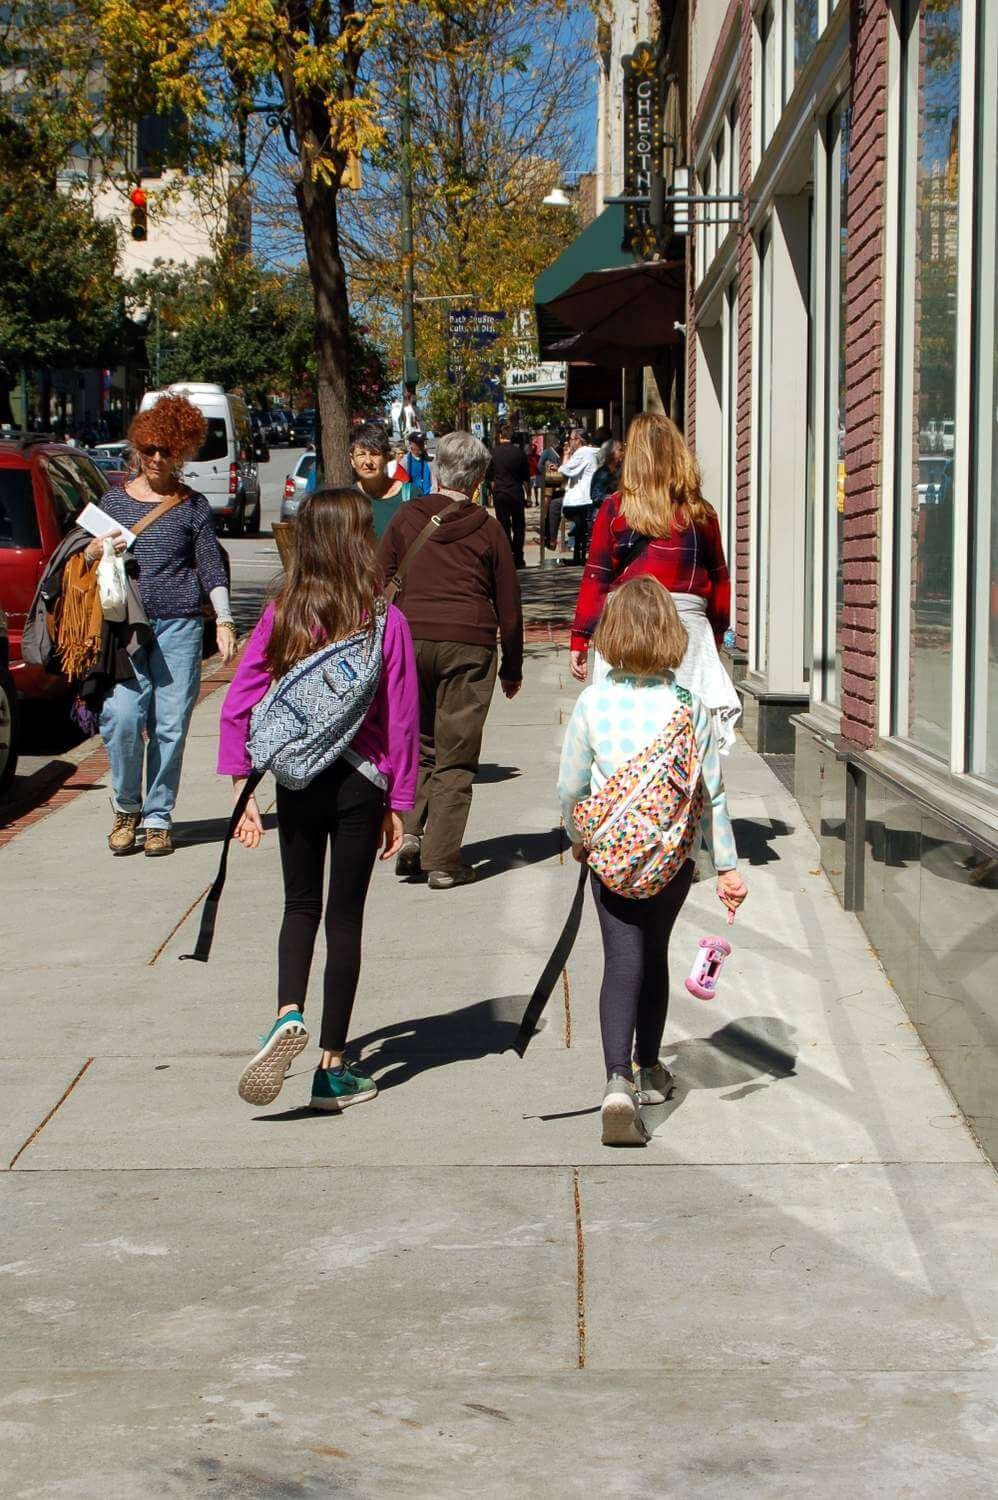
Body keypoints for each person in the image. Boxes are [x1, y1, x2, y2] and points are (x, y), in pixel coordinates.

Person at [218, 490, 419, 1113]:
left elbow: (240, 701)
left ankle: (285, 1015)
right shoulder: (385, 618)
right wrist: (401, 802)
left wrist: (240, 786)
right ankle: (332, 1065)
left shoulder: (285, 613)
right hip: (362, 782)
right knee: (346, 917)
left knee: (299, 903)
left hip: (297, 780)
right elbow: (404, 717)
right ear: (359, 542)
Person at [558, 577, 748, 1146]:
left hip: (611, 857)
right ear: (672, 636)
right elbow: (711, 794)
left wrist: (578, 836)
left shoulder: (593, 703)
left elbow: (570, 788)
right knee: (655, 954)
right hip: (671, 859)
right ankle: (650, 1069)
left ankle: (616, 1079)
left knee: (621, 960)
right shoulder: (690, 708)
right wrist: (729, 868)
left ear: (611, 636)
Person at [377, 431, 524, 889]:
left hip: (408, 641)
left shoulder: (404, 518)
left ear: (436, 470)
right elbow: (509, 603)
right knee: (456, 754)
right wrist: (512, 665)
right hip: (469, 643)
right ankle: (442, 860)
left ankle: (413, 837)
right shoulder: (488, 528)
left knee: (419, 745)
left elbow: (378, 580)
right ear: (479, 479)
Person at [94, 394, 237, 857]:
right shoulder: (113, 501)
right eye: (150, 448)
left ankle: (157, 817)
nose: (157, 458)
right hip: (125, 625)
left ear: (182, 453)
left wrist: (225, 620)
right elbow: (81, 553)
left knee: (171, 724)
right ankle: (126, 806)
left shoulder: (192, 506)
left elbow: (210, 565)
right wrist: (95, 550)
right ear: (137, 447)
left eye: (168, 451)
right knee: (122, 716)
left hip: (180, 626)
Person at [569, 411, 740, 750]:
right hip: (687, 628)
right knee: (689, 733)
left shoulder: (616, 509)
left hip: (628, 623)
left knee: (623, 727)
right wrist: (717, 633)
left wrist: (580, 638)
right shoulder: (700, 513)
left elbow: (597, 576)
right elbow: (720, 578)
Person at [350, 422, 424, 539]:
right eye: (361, 454)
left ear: (386, 458)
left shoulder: (411, 495)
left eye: (375, 454)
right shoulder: (347, 500)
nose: (368, 461)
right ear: (352, 460)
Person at [486, 423, 531, 567]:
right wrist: (529, 496)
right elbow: (526, 479)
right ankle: (518, 557)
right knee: (519, 526)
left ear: (500, 436)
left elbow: (490, 478)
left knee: (503, 525)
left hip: (500, 493)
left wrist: (493, 493)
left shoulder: (493, 453)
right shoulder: (519, 453)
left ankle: (507, 557)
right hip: (516, 492)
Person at [558, 427, 601, 565]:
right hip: (589, 497)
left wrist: (566, 454)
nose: (569, 442)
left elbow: (565, 470)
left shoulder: (583, 452)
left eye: (571, 439)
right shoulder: (593, 452)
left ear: (578, 440)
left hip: (580, 499)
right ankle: (579, 555)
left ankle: (551, 539)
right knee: (581, 528)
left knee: (555, 507)